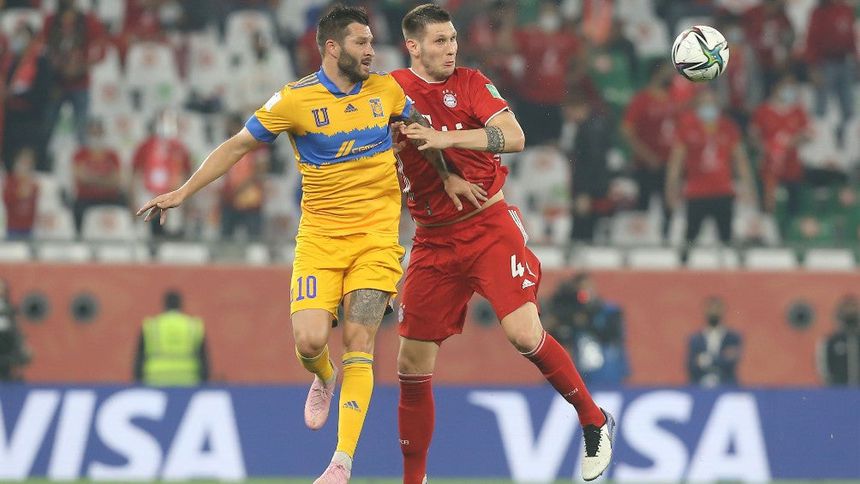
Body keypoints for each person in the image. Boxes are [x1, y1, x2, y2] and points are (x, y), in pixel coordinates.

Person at [136, 6, 459, 483]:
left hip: (376, 240)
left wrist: (449, 178)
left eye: (371, 42)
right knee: (309, 341)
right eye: (360, 43)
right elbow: (237, 145)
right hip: (320, 241)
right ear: (332, 47)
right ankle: (324, 375)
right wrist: (184, 192)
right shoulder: (294, 100)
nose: (371, 51)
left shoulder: (387, 91)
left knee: (360, 341)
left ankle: (341, 462)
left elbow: (424, 134)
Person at [391, 5, 615, 483]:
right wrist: (444, 173)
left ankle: (594, 420)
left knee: (523, 334)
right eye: (439, 41)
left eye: (453, 39)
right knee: (410, 363)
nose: (451, 49)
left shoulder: (472, 83)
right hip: (432, 239)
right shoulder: (392, 91)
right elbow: (410, 139)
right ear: (413, 46)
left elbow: (514, 137)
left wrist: (448, 139)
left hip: (488, 226)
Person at [665, 88, 756, 250]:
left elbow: (741, 160)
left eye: (712, 103)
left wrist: (749, 187)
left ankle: (726, 264)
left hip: (723, 191)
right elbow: (676, 162)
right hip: (696, 192)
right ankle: (685, 263)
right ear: (697, 106)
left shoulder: (728, 127)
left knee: (726, 238)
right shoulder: (687, 127)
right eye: (704, 103)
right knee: (690, 237)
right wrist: (671, 188)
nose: (709, 107)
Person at [621, 61, 678, 243]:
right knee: (643, 206)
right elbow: (626, 131)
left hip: (670, 163)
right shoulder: (642, 100)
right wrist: (647, 156)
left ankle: (667, 241)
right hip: (646, 164)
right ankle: (641, 243)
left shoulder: (672, 99)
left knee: (669, 206)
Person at [548, 272, 629, 387]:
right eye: (580, 290)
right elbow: (561, 340)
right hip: (583, 376)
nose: (584, 294)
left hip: (610, 373)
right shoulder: (574, 314)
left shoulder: (609, 311)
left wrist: (588, 322)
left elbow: (613, 336)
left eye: (587, 288)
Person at [133, 290, 209, 386]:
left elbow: (139, 358)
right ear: (181, 304)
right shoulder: (193, 326)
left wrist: (138, 383)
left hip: (155, 380)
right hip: (188, 380)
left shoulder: (152, 326)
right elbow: (204, 359)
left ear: (164, 304)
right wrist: (204, 383)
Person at [71, 117, 126, 235]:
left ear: (103, 133)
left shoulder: (112, 155)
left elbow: (116, 180)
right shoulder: (80, 154)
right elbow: (81, 178)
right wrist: (105, 178)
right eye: (93, 133)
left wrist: (92, 178)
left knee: (124, 207)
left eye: (98, 133)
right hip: (86, 199)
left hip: (110, 198)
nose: (95, 136)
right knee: (76, 210)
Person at [686, 296, 743, 387]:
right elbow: (691, 365)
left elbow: (730, 363)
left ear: (722, 311)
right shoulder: (695, 339)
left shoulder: (733, 338)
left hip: (726, 384)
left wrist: (705, 360)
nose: (713, 312)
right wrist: (720, 358)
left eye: (716, 309)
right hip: (700, 385)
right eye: (710, 309)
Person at [818, 294, 860, 385]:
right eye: (847, 309)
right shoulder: (831, 341)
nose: (850, 312)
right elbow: (823, 368)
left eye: (853, 308)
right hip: (839, 389)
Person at [2, 147, 39, 240]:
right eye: (23, 162)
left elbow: (35, 205)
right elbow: (6, 200)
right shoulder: (10, 181)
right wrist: (19, 193)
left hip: (29, 228)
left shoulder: (33, 183)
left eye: (28, 163)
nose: (25, 166)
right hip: (13, 228)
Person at [0, 278, 31, 382]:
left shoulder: (10, 308)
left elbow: (16, 328)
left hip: (7, 345)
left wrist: (22, 347)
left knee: (7, 372)